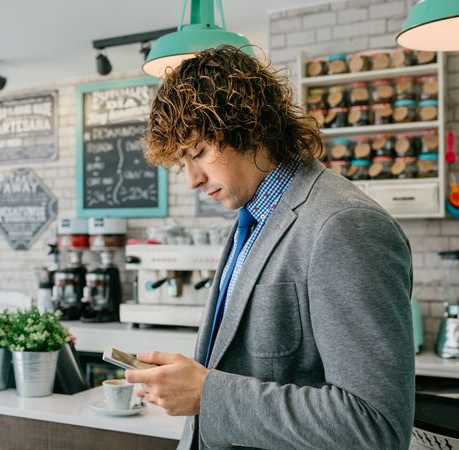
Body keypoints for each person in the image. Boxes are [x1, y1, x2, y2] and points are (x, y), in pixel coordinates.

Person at [125, 45, 414, 450]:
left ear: (251, 126)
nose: (191, 179)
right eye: (181, 162)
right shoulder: (254, 215)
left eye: (199, 152)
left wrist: (209, 393)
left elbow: (374, 427)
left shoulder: (345, 225)